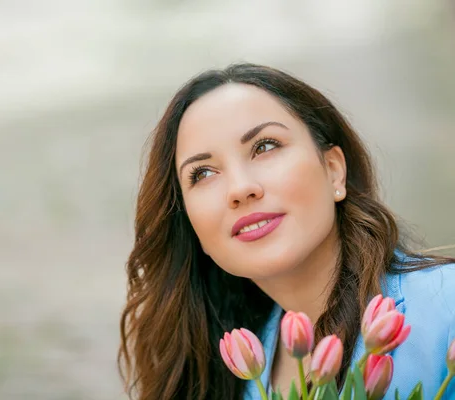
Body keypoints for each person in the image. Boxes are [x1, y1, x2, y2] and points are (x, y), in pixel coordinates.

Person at [117, 63, 455, 400]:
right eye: (203, 173)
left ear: (334, 171)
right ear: (191, 226)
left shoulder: (445, 309)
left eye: (264, 147)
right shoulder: (222, 375)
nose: (240, 188)